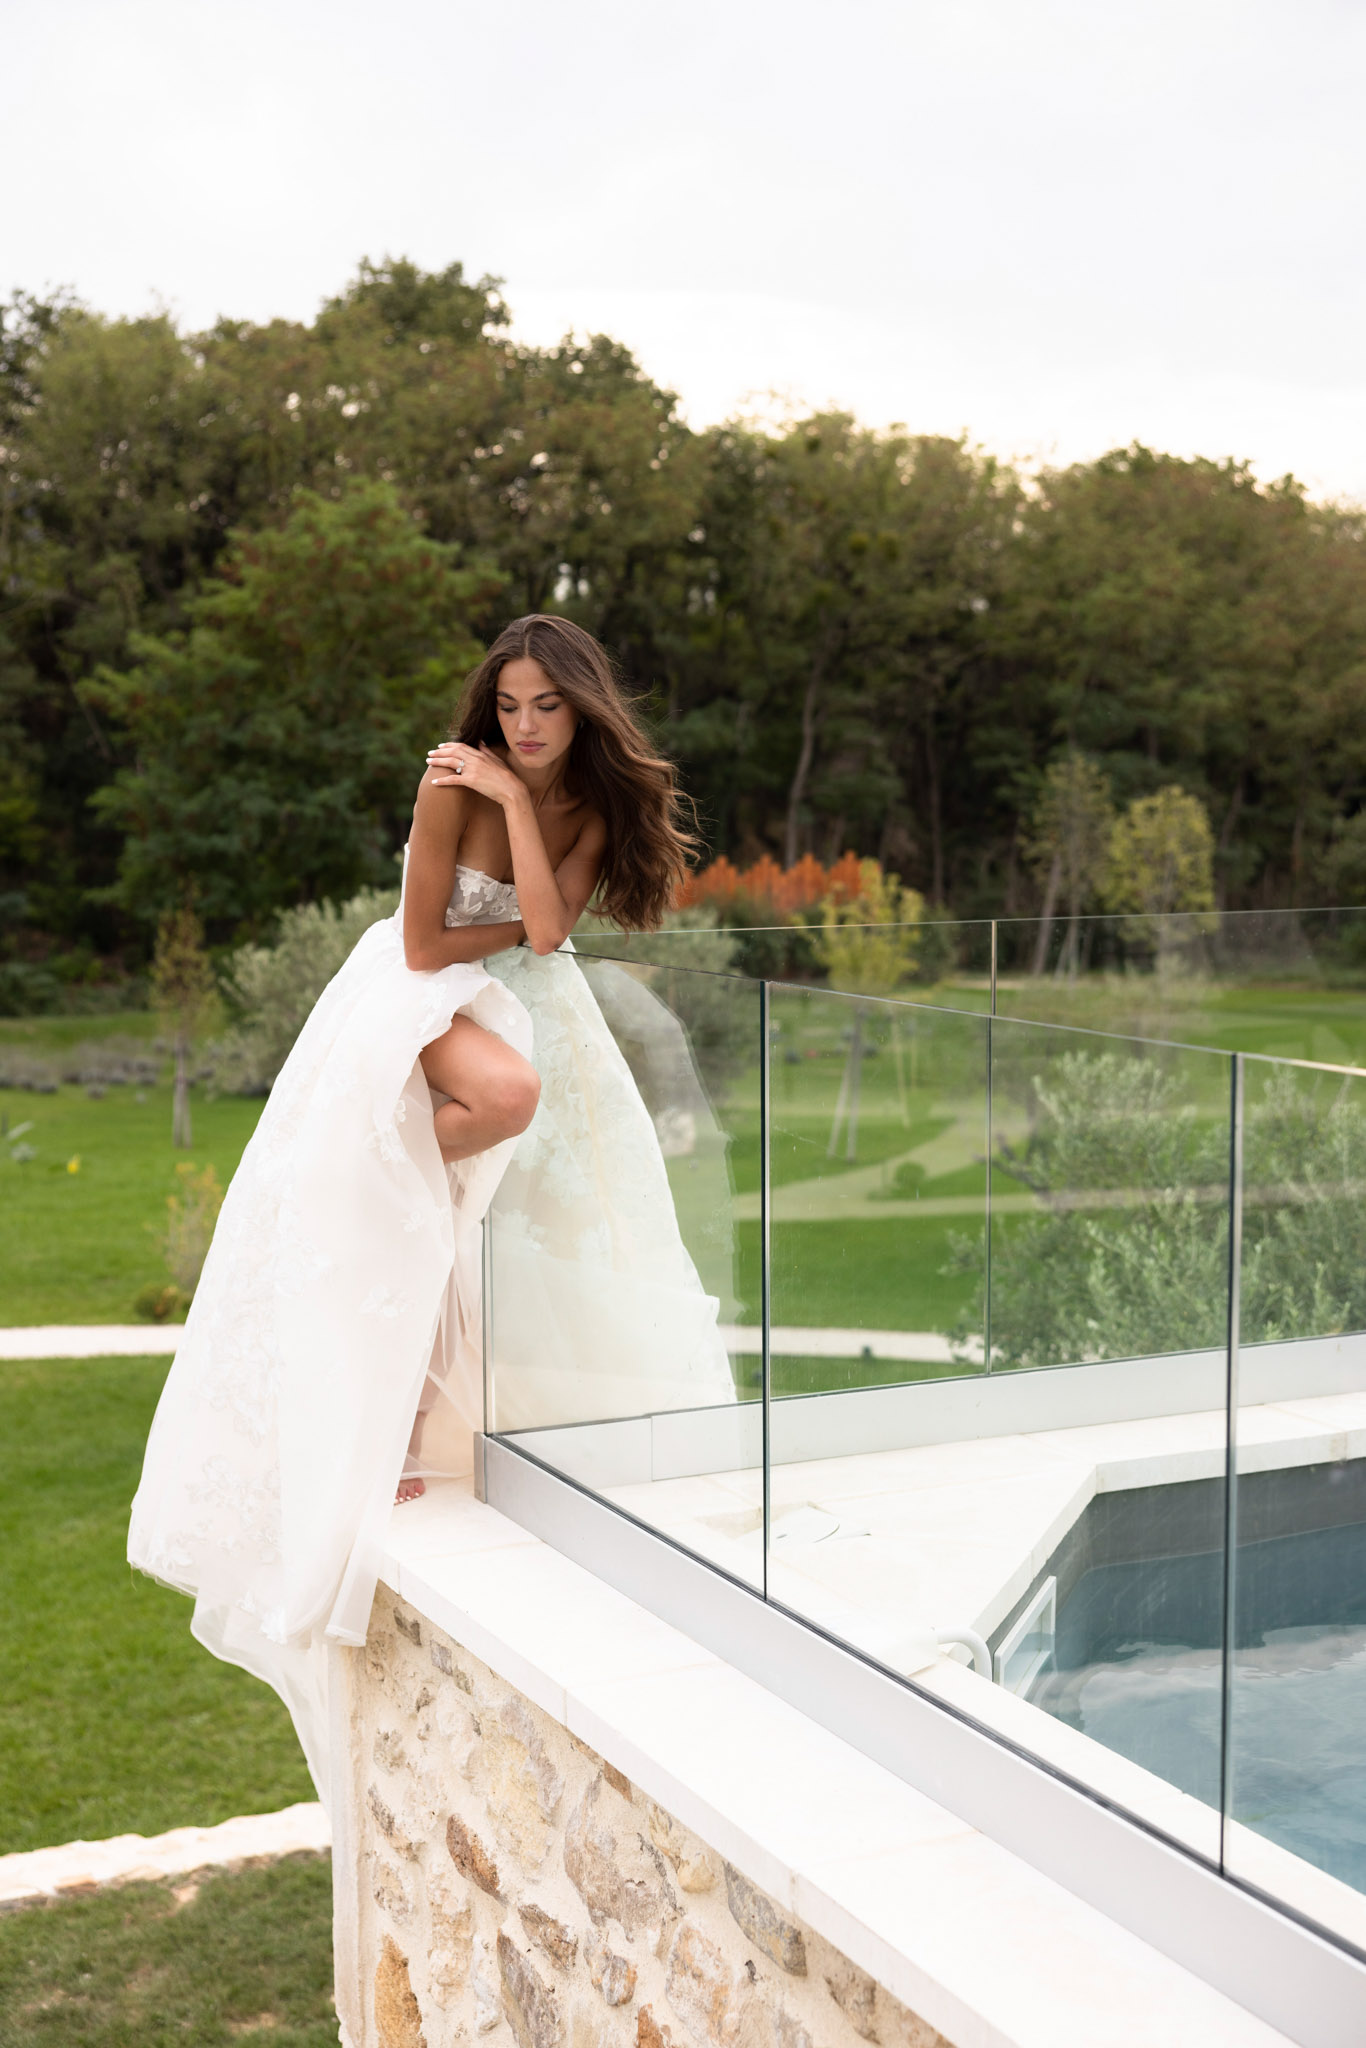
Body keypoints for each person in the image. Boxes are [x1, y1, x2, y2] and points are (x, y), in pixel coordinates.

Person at [128, 616, 736, 1804]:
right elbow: (421, 941)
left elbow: (552, 935)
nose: (523, 725)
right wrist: (492, 796)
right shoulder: (448, 784)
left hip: (533, 1006)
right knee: (487, 1122)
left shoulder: (582, 803)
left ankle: (460, 1419)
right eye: (507, 705)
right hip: (420, 997)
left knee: (521, 1225)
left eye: (545, 706)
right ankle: (358, 1207)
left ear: (581, 707)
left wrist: (519, 805)